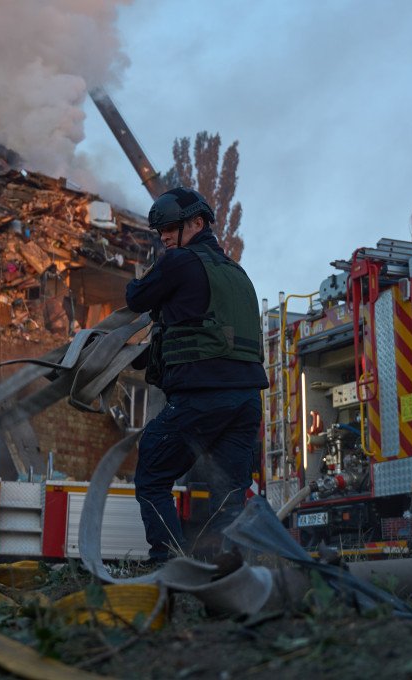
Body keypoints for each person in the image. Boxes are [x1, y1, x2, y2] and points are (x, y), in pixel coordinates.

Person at [125, 187, 268, 562]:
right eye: (161, 232)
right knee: (229, 496)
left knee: (153, 475)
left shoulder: (181, 263)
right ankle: (228, 573)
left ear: (198, 223)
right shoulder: (238, 273)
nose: (165, 237)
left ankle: (169, 563)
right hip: (247, 403)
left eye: (171, 228)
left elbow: (136, 298)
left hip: (202, 398)